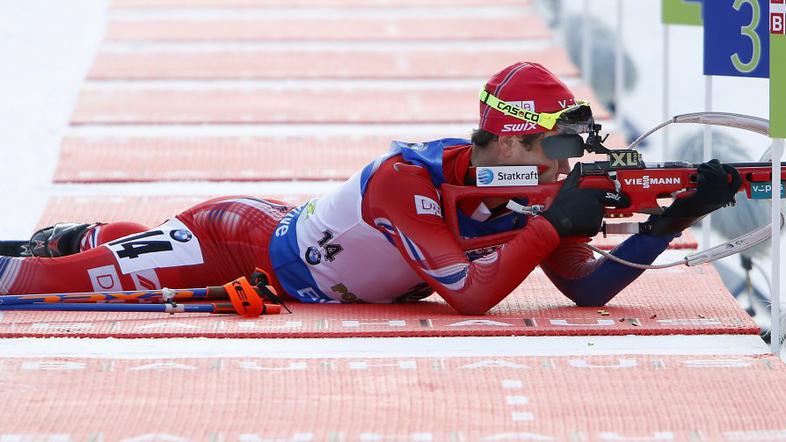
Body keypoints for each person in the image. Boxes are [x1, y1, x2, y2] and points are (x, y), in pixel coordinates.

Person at [0, 62, 740, 314]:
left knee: (83, 260)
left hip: (285, 253)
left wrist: (674, 217)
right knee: (36, 289)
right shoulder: (406, 179)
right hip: (233, 244)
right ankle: (71, 249)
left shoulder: (532, 193)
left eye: (569, 149)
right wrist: (557, 222)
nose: (561, 164)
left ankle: (85, 236)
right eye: (552, 146)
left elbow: (582, 291)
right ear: (508, 138)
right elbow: (472, 295)